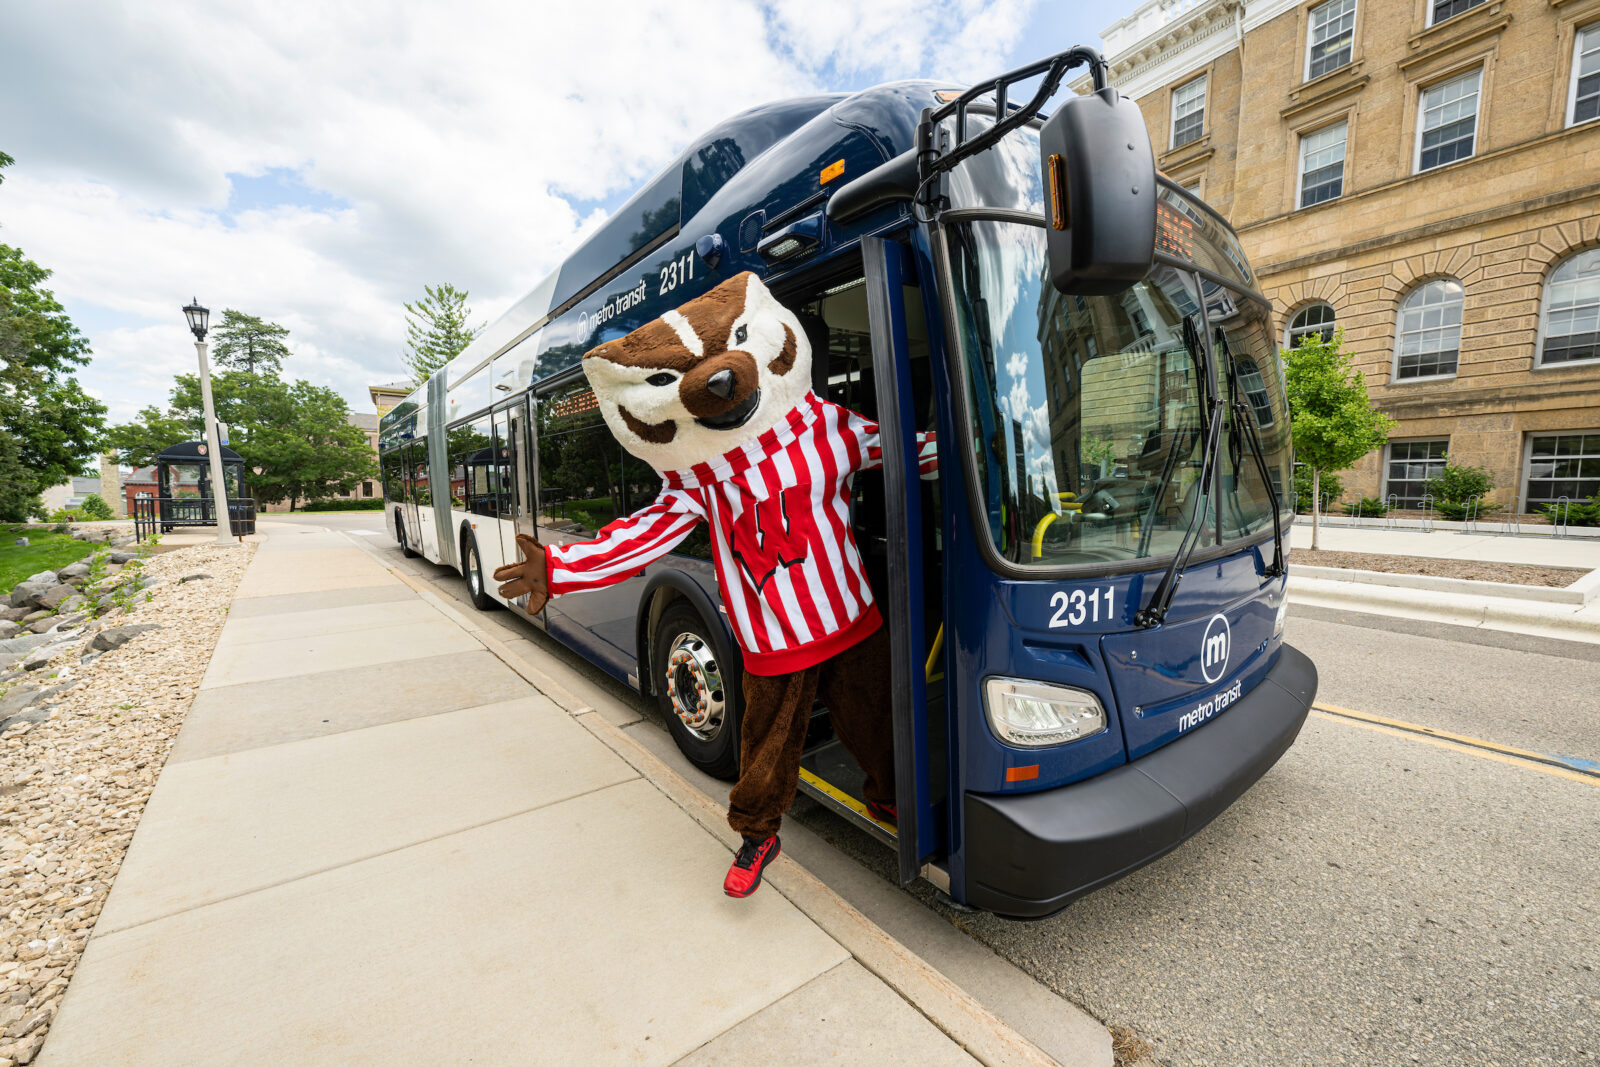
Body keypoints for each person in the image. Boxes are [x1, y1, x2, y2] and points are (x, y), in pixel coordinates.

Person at [493, 271, 932, 897]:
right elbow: (647, 530)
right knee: (764, 744)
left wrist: (994, 449)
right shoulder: (701, 474)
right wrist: (563, 568)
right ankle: (758, 836)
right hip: (771, 633)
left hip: (849, 615)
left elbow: (908, 452)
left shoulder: (823, 427)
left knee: (876, 718)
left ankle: (889, 799)